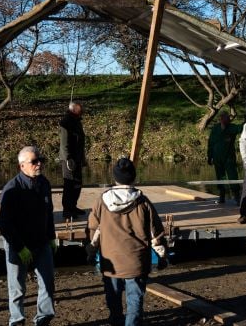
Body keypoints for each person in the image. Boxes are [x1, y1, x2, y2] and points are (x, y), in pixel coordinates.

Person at [87, 158, 167, 326]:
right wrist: (162, 256)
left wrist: (91, 251)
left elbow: (94, 231)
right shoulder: (143, 202)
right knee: (135, 301)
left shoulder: (102, 201)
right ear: (133, 177)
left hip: (111, 262)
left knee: (113, 299)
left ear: (114, 177)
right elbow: (156, 234)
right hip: (136, 261)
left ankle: (116, 321)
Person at [0, 146, 56, 326]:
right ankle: (16, 320)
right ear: (22, 166)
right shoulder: (12, 189)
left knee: (48, 283)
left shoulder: (44, 183)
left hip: (41, 241)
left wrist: (52, 236)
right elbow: (4, 225)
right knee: (17, 288)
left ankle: (43, 319)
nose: (39, 164)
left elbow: (50, 212)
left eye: (40, 160)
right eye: (34, 161)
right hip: (18, 243)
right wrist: (19, 247)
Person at [207, 111, 242, 204]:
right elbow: (210, 143)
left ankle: (237, 197)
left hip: (229, 158)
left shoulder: (232, 127)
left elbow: (241, 128)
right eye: (223, 118)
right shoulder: (215, 128)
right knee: (220, 177)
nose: (225, 120)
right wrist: (209, 156)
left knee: (233, 176)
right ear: (220, 119)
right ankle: (222, 196)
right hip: (217, 158)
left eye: (227, 118)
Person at [59, 102, 87, 219]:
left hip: (77, 157)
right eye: (80, 110)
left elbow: (80, 141)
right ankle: (67, 209)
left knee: (77, 184)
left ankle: (73, 206)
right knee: (69, 184)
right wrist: (67, 159)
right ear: (74, 110)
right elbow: (64, 143)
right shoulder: (66, 122)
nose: (82, 111)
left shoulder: (77, 121)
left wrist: (82, 158)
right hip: (69, 159)